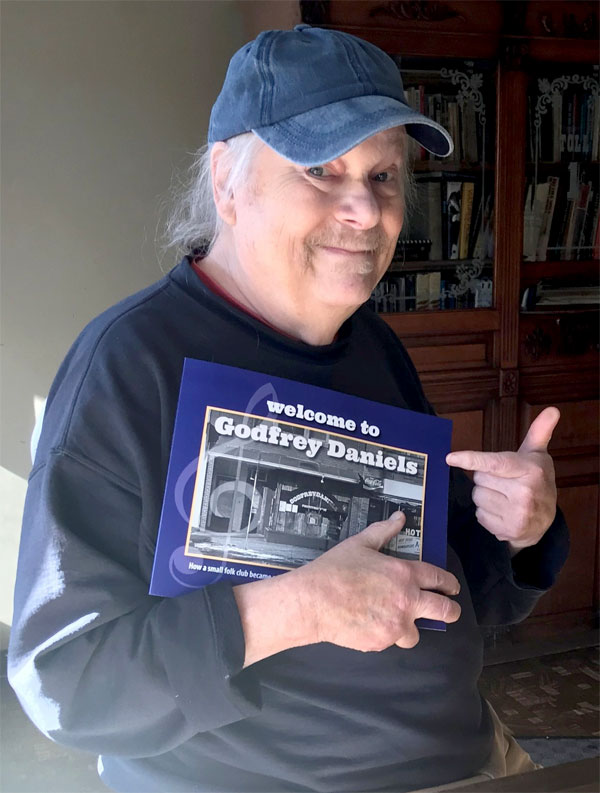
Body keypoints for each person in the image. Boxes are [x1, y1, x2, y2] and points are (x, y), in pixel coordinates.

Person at [8, 24, 568, 793]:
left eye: (384, 176)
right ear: (226, 181)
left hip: (466, 757)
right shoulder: (129, 366)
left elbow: (454, 594)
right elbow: (66, 679)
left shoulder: (376, 347)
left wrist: (519, 533)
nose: (366, 211)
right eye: (320, 169)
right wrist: (294, 608)